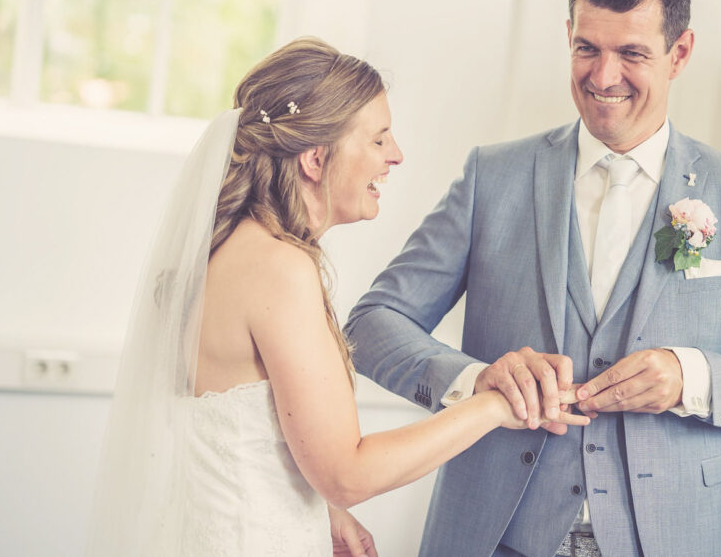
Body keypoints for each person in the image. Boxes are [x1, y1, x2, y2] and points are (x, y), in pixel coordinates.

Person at [345, 0, 721, 557]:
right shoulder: (493, 177)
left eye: (632, 53)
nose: (603, 77)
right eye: (587, 48)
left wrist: (690, 376)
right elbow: (371, 324)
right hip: (499, 534)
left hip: (680, 536)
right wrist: (475, 380)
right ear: (568, 36)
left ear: (680, 53)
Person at [86, 37, 589, 557]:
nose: (395, 156)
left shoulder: (227, 252)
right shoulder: (279, 268)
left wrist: (320, 511)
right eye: (378, 139)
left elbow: (237, 441)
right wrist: (494, 406)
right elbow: (348, 474)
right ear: (315, 157)